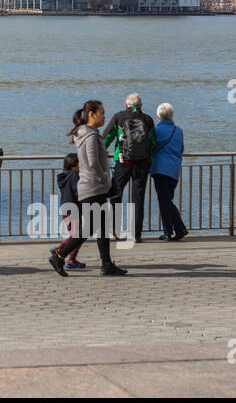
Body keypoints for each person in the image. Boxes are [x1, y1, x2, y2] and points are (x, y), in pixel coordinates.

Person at [49, 100, 127, 277]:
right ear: (92, 114)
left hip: (91, 187)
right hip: (93, 187)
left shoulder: (87, 134)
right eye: (102, 113)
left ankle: (106, 264)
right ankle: (59, 255)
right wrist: (105, 181)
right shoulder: (90, 136)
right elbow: (93, 163)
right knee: (90, 228)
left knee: (99, 227)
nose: (104, 116)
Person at [104, 92, 156, 243]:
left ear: (126, 104)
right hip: (142, 163)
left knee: (116, 195)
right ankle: (136, 234)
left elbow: (107, 137)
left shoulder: (119, 117)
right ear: (140, 106)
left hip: (122, 161)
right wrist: (148, 159)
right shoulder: (147, 119)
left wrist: (101, 156)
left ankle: (115, 231)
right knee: (138, 198)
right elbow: (152, 143)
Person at [150, 102, 188, 241]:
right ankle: (179, 229)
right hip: (174, 169)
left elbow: (152, 147)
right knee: (167, 200)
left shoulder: (155, 130)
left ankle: (170, 232)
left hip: (160, 168)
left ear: (158, 115)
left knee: (164, 200)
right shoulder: (178, 131)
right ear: (171, 115)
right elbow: (181, 149)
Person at [50, 153, 85, 269]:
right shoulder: (75, 176)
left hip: (66, 208)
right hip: (74, 209)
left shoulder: (64, 177)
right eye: (80, 163)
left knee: (76, 234)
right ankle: (63, 253)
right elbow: (78, 191)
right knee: (78, 235)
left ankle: (67, 255)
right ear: (74, 165)